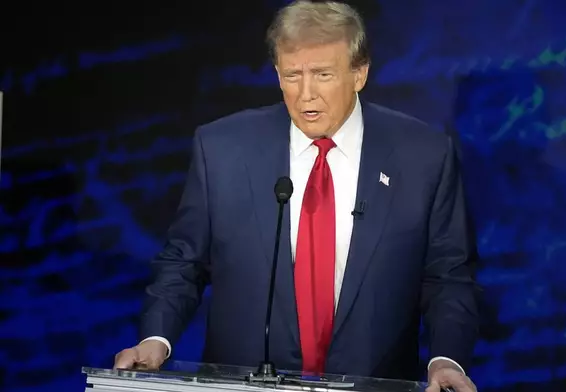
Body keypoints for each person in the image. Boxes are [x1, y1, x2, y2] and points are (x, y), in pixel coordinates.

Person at [114, 1, 479, 391]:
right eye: (292, 75)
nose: (306, 96)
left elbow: (448, 277)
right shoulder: (222, 149)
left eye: (322, 75)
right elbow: (183, 261)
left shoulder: (423, 156)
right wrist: (157, 338)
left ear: (359, 73)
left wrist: (446, 358)